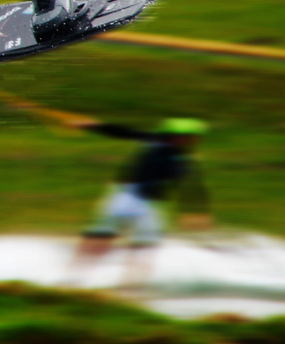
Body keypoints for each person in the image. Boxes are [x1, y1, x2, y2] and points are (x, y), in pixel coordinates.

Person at [65, 116, 212, 282]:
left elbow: (192, 185)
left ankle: (125, 282)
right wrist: (91, 125)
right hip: (131, 197)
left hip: (140, 200)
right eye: (191, 137)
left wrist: (196, 211)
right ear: (177, 136)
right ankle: (78, 278)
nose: (192, 141)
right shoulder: (162, 146)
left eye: (194, 138)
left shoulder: (175, 153)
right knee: (111, 238)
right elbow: (122, 132)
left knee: (135, 241)